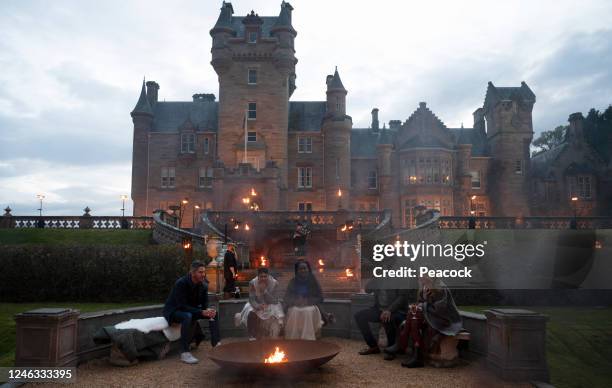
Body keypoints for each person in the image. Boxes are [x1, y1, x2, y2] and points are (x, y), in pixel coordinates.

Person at [163, 260, 220, 364]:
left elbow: (204, 304)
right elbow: (181, 305)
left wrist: (207, 310)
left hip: (190, 310)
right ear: (192, 273)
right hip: (174, 311)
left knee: (214, 313)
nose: (203, 274)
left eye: (204, 272)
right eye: (200, 272)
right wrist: (201, 312)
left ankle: (216, 345)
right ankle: (185, 353)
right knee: (187, 316)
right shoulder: (181, 283)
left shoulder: (203, 285)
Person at [354, 279, 407, 357]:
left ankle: (391, 349)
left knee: (387, 318)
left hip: (396, 311)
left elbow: (402, 297)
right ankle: (373, 346)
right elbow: (368, 290)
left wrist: (389, 310)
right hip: (379, 310)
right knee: (359, 316)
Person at [283, 260, 328, 340]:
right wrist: (296, 301)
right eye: (300, 269)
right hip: (295, 305)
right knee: (294, 311)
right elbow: (287, 298)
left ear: (308, 269)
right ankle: (294, 338)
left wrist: (307, 301)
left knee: (307, 312)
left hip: (311, 305)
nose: (303, 270)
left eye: (305, 268)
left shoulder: (313, 281)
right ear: (297, 271)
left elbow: (320, 297)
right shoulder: (292, 282)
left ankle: (307, 338)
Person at [236, 267, 284, 339]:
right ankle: (252, 336)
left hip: (271, 303)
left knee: (276, 315)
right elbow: (251, 299)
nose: (263, 278)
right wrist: (258, 306)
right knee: (250, 311)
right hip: (257, 303)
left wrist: (265, 292)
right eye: (261, 276)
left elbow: (275, 300)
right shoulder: (252, 283)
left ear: (268, 276)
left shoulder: (274, 283)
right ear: (258, 276)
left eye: (265, 276)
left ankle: (273, 335)